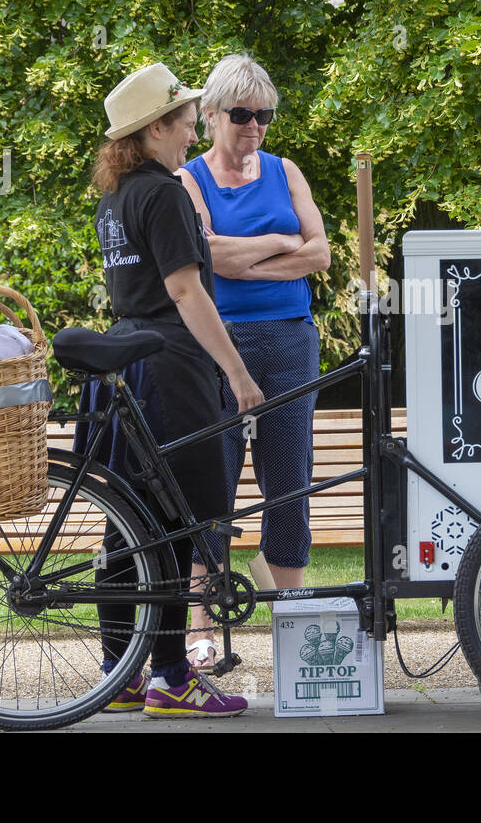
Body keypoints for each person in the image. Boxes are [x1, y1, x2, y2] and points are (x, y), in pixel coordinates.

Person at [78, 62, 264, 718]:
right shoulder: (163, 193)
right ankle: (170, 677)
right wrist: (237, 372)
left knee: (125, 526)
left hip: (127, 364)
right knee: (170, 526)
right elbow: (185, 290)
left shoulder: (117, 196)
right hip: (169, 366)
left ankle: (119, 670)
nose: (192, 125)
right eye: (184, 116)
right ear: (156, 127)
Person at [176, 54, 330, 671]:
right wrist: (278, 241)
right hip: (222, 341)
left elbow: (319, 254)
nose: (254, 126)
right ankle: (201, 619)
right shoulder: (188, 179)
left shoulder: (286, 170)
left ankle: (290, 615)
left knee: (288, 475)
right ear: (211, 113)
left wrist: (250, 255)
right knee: (212, 479)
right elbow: (210, 258)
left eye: (264, 115)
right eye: (241, 114)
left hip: (291, 339)